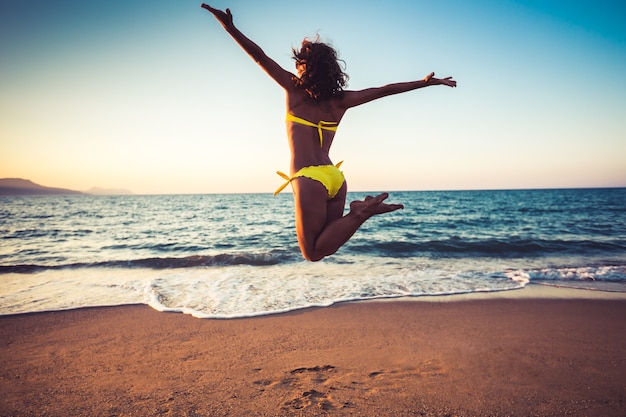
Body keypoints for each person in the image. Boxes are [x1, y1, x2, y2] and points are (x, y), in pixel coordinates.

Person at [202, 4, 457, 261]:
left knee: (312, 253)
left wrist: (230, 28)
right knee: (325, 246)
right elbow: (384, 89)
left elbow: (259, 57)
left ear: (304, 66)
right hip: (335, 177)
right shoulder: (341, 100)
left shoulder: (294, 91)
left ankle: (361, 213)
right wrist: (425, 84)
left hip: (309, 178)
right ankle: (359, 212)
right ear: (331, 69)